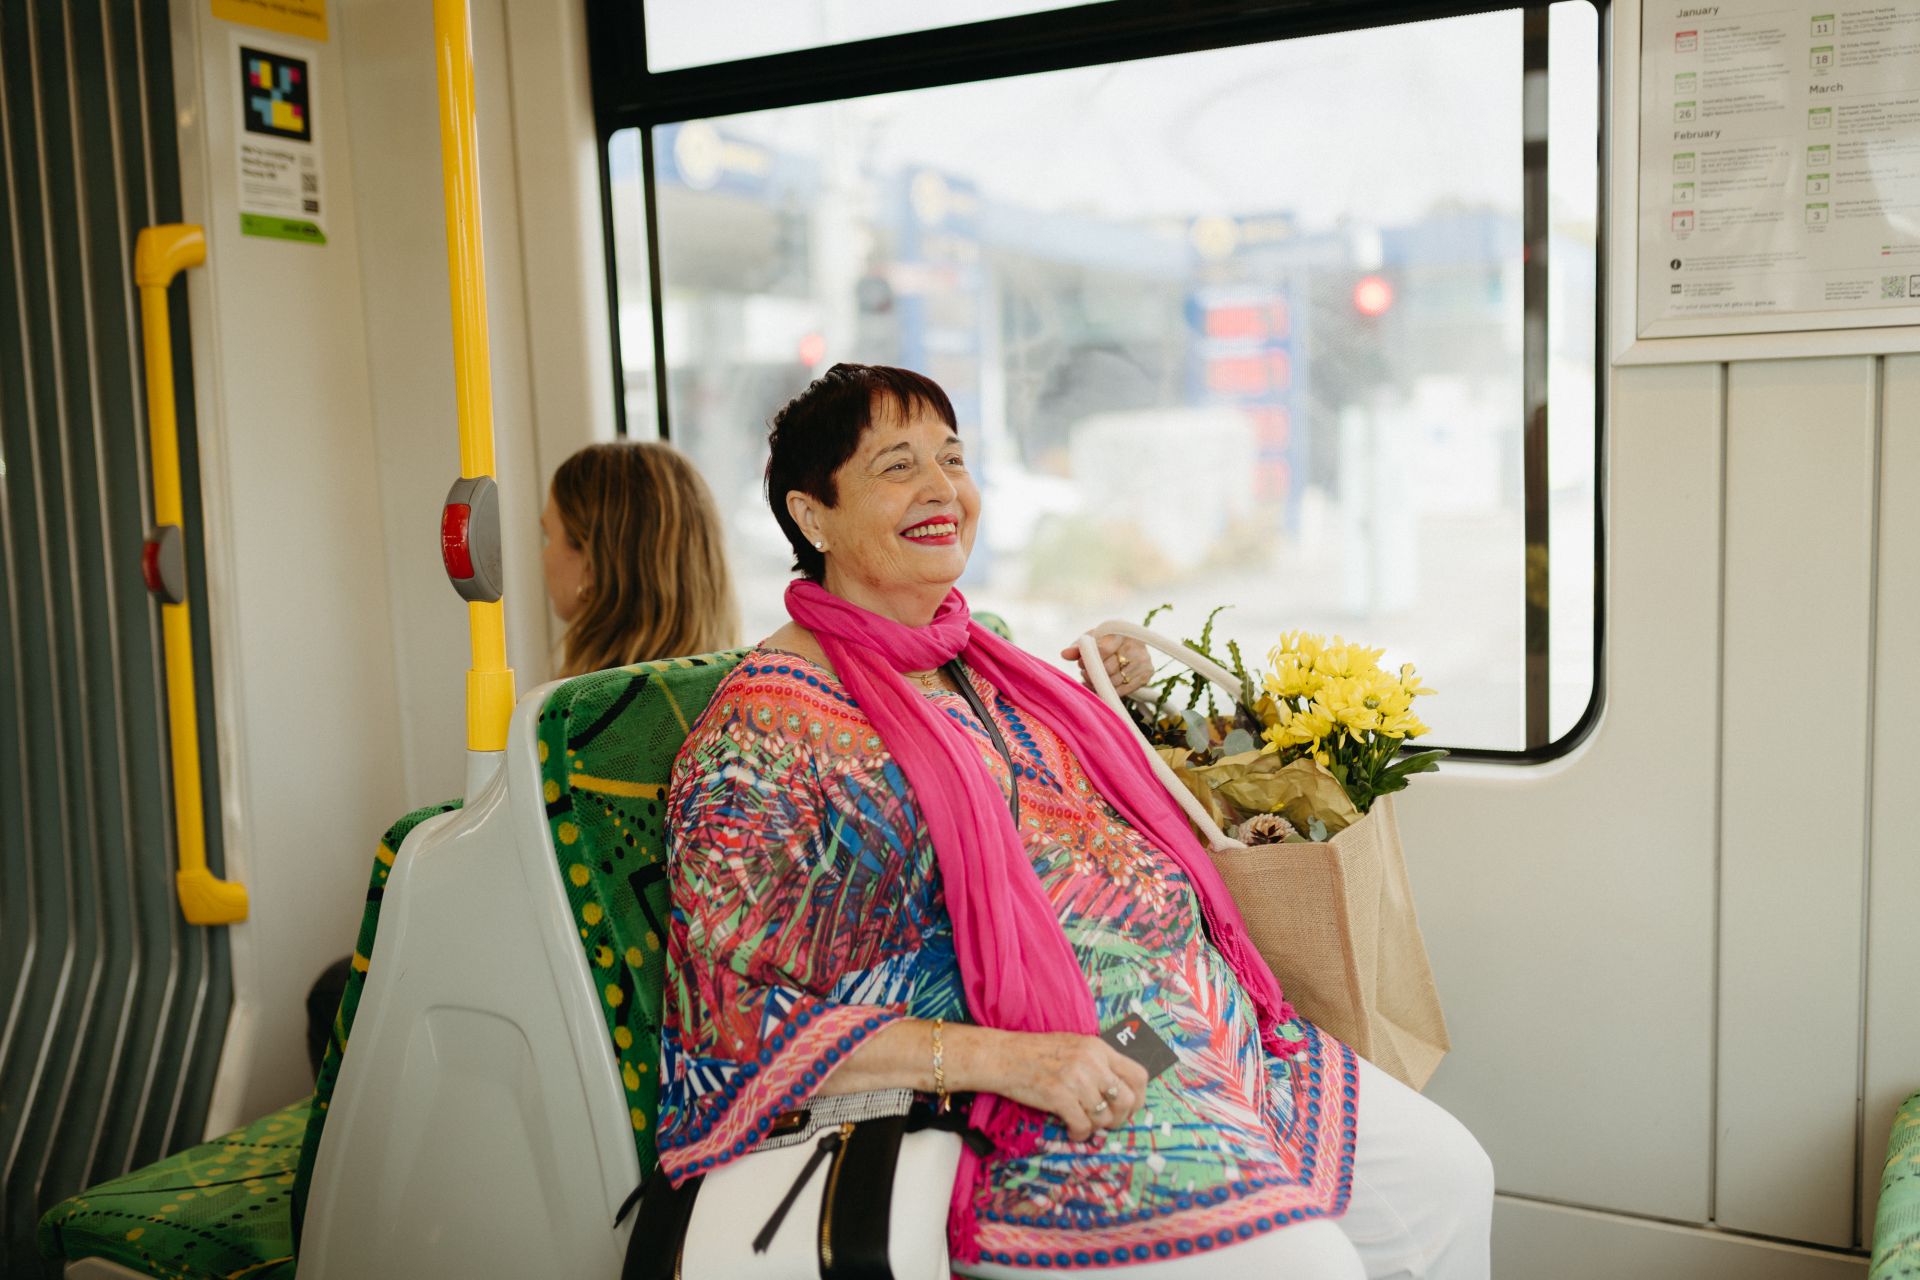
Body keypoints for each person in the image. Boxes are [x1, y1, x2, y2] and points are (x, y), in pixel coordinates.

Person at [657, 364, 1493, 1279]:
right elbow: (727, 1025)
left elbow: (1052, 832)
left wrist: (1110, 706)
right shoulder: (761, 732)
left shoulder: (988, 665)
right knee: (1309, 1268)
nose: (942, 490)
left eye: (954, 458)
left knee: (1451, 1181)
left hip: (1175, 1031)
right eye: (897, 467)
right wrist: (1012, 1061)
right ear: (812, 515)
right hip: (1017, 1094)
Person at [540, 439, 739, 677]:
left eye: (548, 536)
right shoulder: (735, 689)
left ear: (591, 564)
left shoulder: (586, 707)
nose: (544, 556)